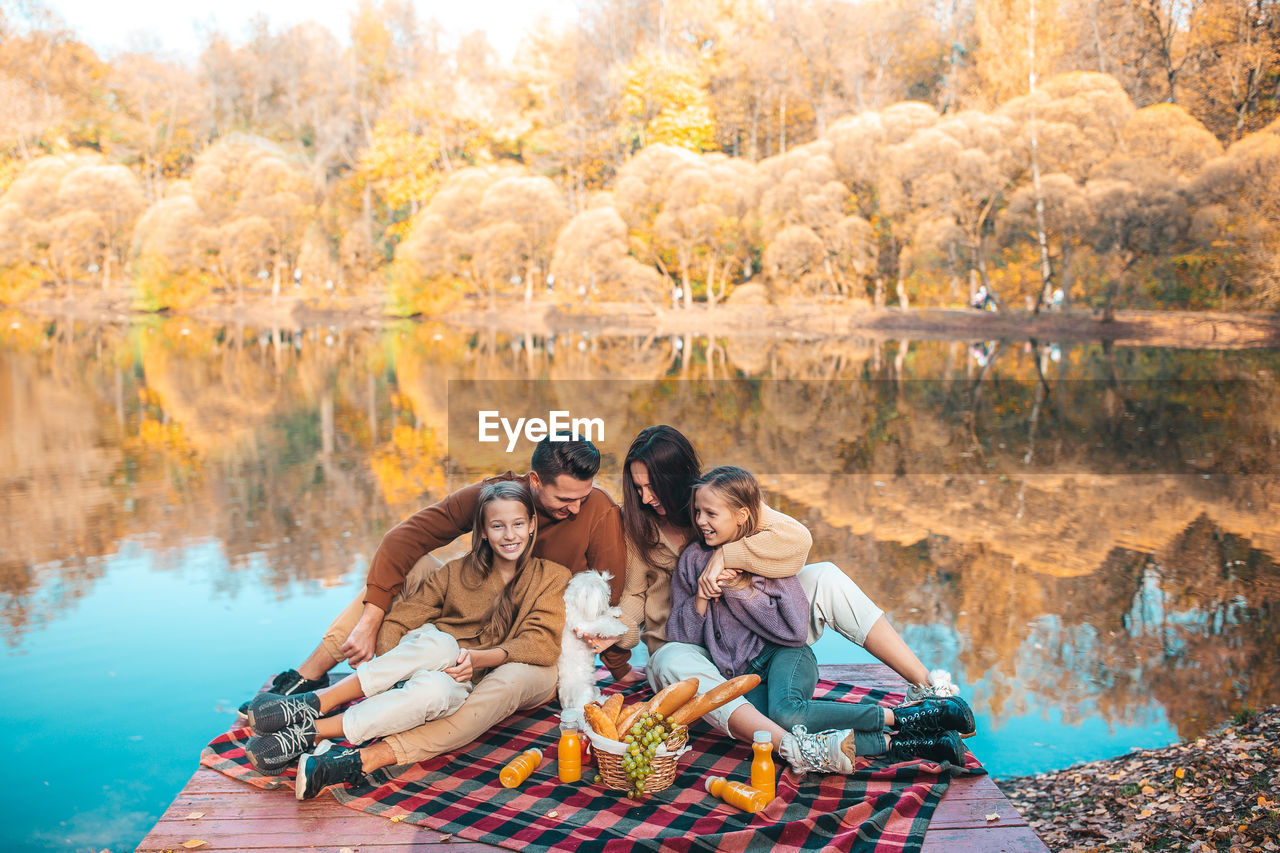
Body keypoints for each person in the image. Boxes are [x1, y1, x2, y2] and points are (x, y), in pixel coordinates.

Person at [611, 425, 962, 773]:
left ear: (680, 479)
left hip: (765, 637)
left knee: (826, 576)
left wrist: (729, 557)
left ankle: (928, 691)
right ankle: (799, 747)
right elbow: (632, 599)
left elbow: (797, 539)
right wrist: (613, 639)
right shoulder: (640, 527)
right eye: (637, 487)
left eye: (652, 486)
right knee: (677, 660)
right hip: (693, 654)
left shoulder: (721, 496)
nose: (644, 497)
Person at [242, 434, 631, 712]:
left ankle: (397, 695)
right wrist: (371, 618)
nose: (577, 508)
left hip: (531, 631)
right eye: (565, 499)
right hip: (474, 608)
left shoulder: (600, 511)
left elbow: (606, 599)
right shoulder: (496, 495)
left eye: (583, 496)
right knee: (412, 566)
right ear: (533, 481)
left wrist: (618, 667)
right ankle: (307, 679)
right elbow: (403, 539)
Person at [240, 481, 571, 799]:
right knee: (442, 644)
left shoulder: (552, 577)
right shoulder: (456, 572)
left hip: (461, 676)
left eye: (517, 524)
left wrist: (477, 659)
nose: (509, 535)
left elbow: (540, 642)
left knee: (436, 691)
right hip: (430, 653)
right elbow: (404, 616)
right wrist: (394, 669)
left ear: (531, 525)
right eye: (497, 526)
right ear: (483, 531)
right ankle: (318, 701)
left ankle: (309, 731)